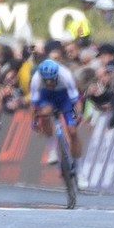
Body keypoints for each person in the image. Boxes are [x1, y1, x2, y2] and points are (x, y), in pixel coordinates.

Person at [29, 59, 84, 187]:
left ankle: (80, 171)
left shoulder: (66, 75)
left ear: (56, 76)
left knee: (73, 132)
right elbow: (33, 104)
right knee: (44, 113)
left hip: (64, 97)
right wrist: (33, 121)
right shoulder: (36, 79)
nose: (49, 83)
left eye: (51, 80)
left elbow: (76, 101)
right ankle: (52, 148)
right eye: (46, 81)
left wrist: (78, 115)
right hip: (46, 97)